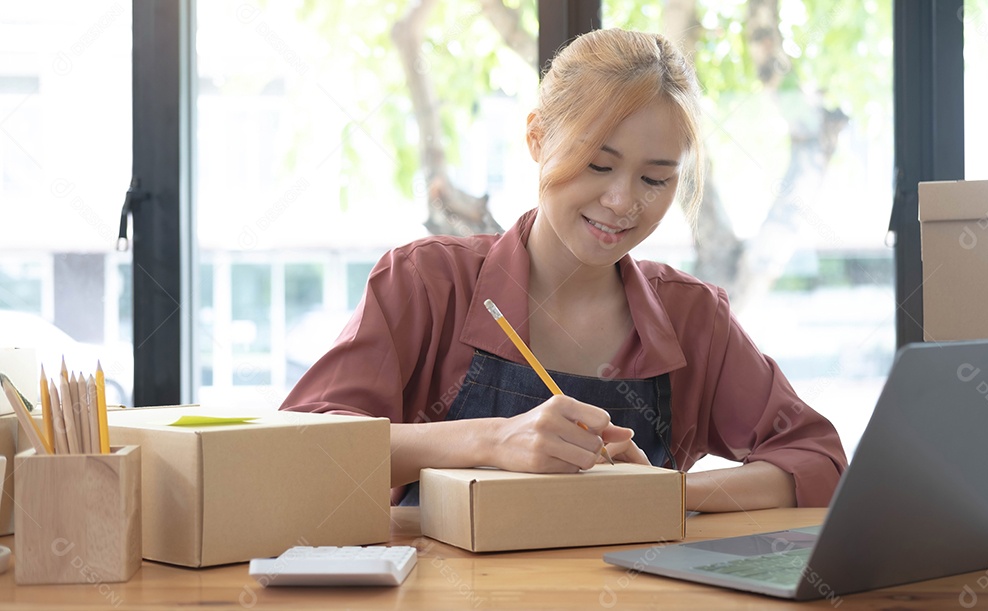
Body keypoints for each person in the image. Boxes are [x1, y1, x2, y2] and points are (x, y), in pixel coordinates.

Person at [281, 28, 847, 511]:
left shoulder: (692, 315)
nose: (623, 201)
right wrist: (492, 439)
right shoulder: (425, 281)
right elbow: (299, 451)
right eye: (598, 164)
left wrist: (663, 492)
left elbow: (817, 461)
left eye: (655, 179)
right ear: (536, 138)